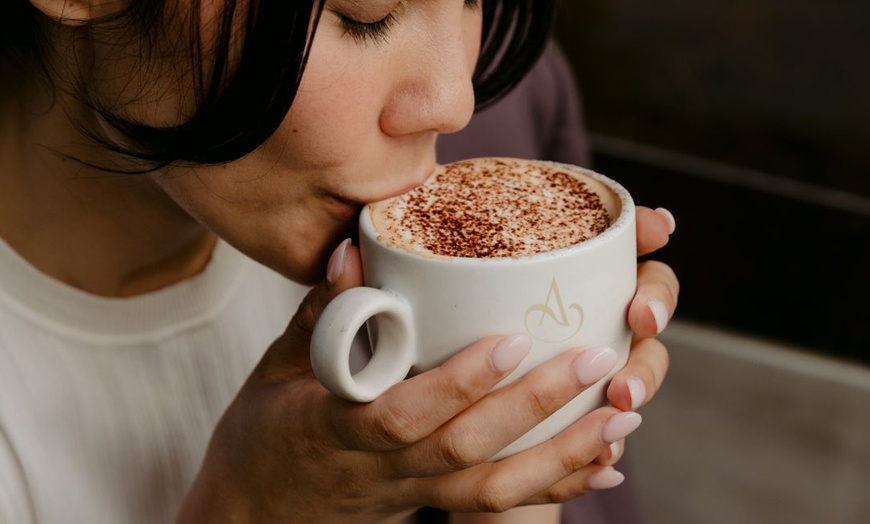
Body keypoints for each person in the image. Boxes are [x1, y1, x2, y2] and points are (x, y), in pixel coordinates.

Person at [0, 1, 679, 523]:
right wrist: (251, 508)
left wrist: (519, 447)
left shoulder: (507, 122)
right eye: (366, 15)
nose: (455, 99)